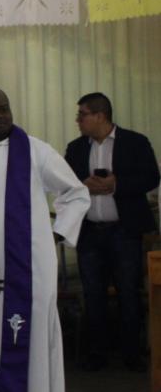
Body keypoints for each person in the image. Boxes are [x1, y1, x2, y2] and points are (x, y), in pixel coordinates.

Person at [0, 87, 90, 391]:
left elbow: (76, 193)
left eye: (4, 109)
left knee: (33, 343)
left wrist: (55, 233)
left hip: (30, 269)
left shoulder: (36, 151)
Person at [65, 92, 160, 371]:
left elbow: (151, 177)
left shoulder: (135, 142)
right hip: (90, 232)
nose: (78, 120)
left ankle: (132, 354)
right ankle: (97, 354)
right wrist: (84, 185)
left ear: (100, 116)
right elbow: (65, 181)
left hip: (125, 231)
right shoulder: (76, 147)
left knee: (129, 292)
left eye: (82, 114)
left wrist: (117, 185)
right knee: (92, 294)